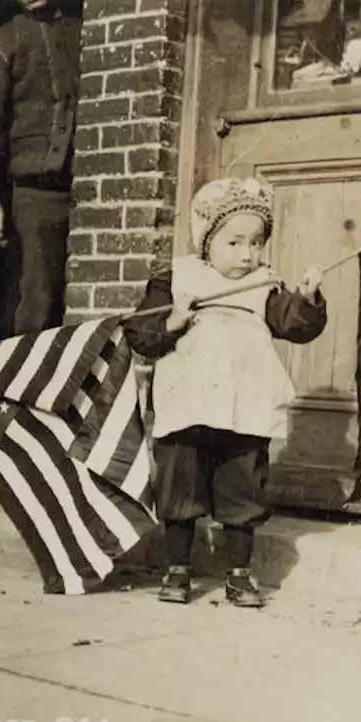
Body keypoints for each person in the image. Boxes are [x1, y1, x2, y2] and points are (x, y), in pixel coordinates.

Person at [123, 177, 328, 608]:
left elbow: (293, 323)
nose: (247, 254)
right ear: (206, 240)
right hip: (188, 405)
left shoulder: (264, 285)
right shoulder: (176, 278)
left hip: (243, 407)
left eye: (256, 243)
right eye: (234, 243)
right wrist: (172, 323)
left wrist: (307, 299)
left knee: (243, 487)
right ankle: (177, 568)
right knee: (181, 485)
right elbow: (140, 334)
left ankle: (238, 573)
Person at [0, 0, 82, 335]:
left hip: (92, 185)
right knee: (38, 301)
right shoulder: (3, 43)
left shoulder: (89, 30)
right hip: (37, 196)